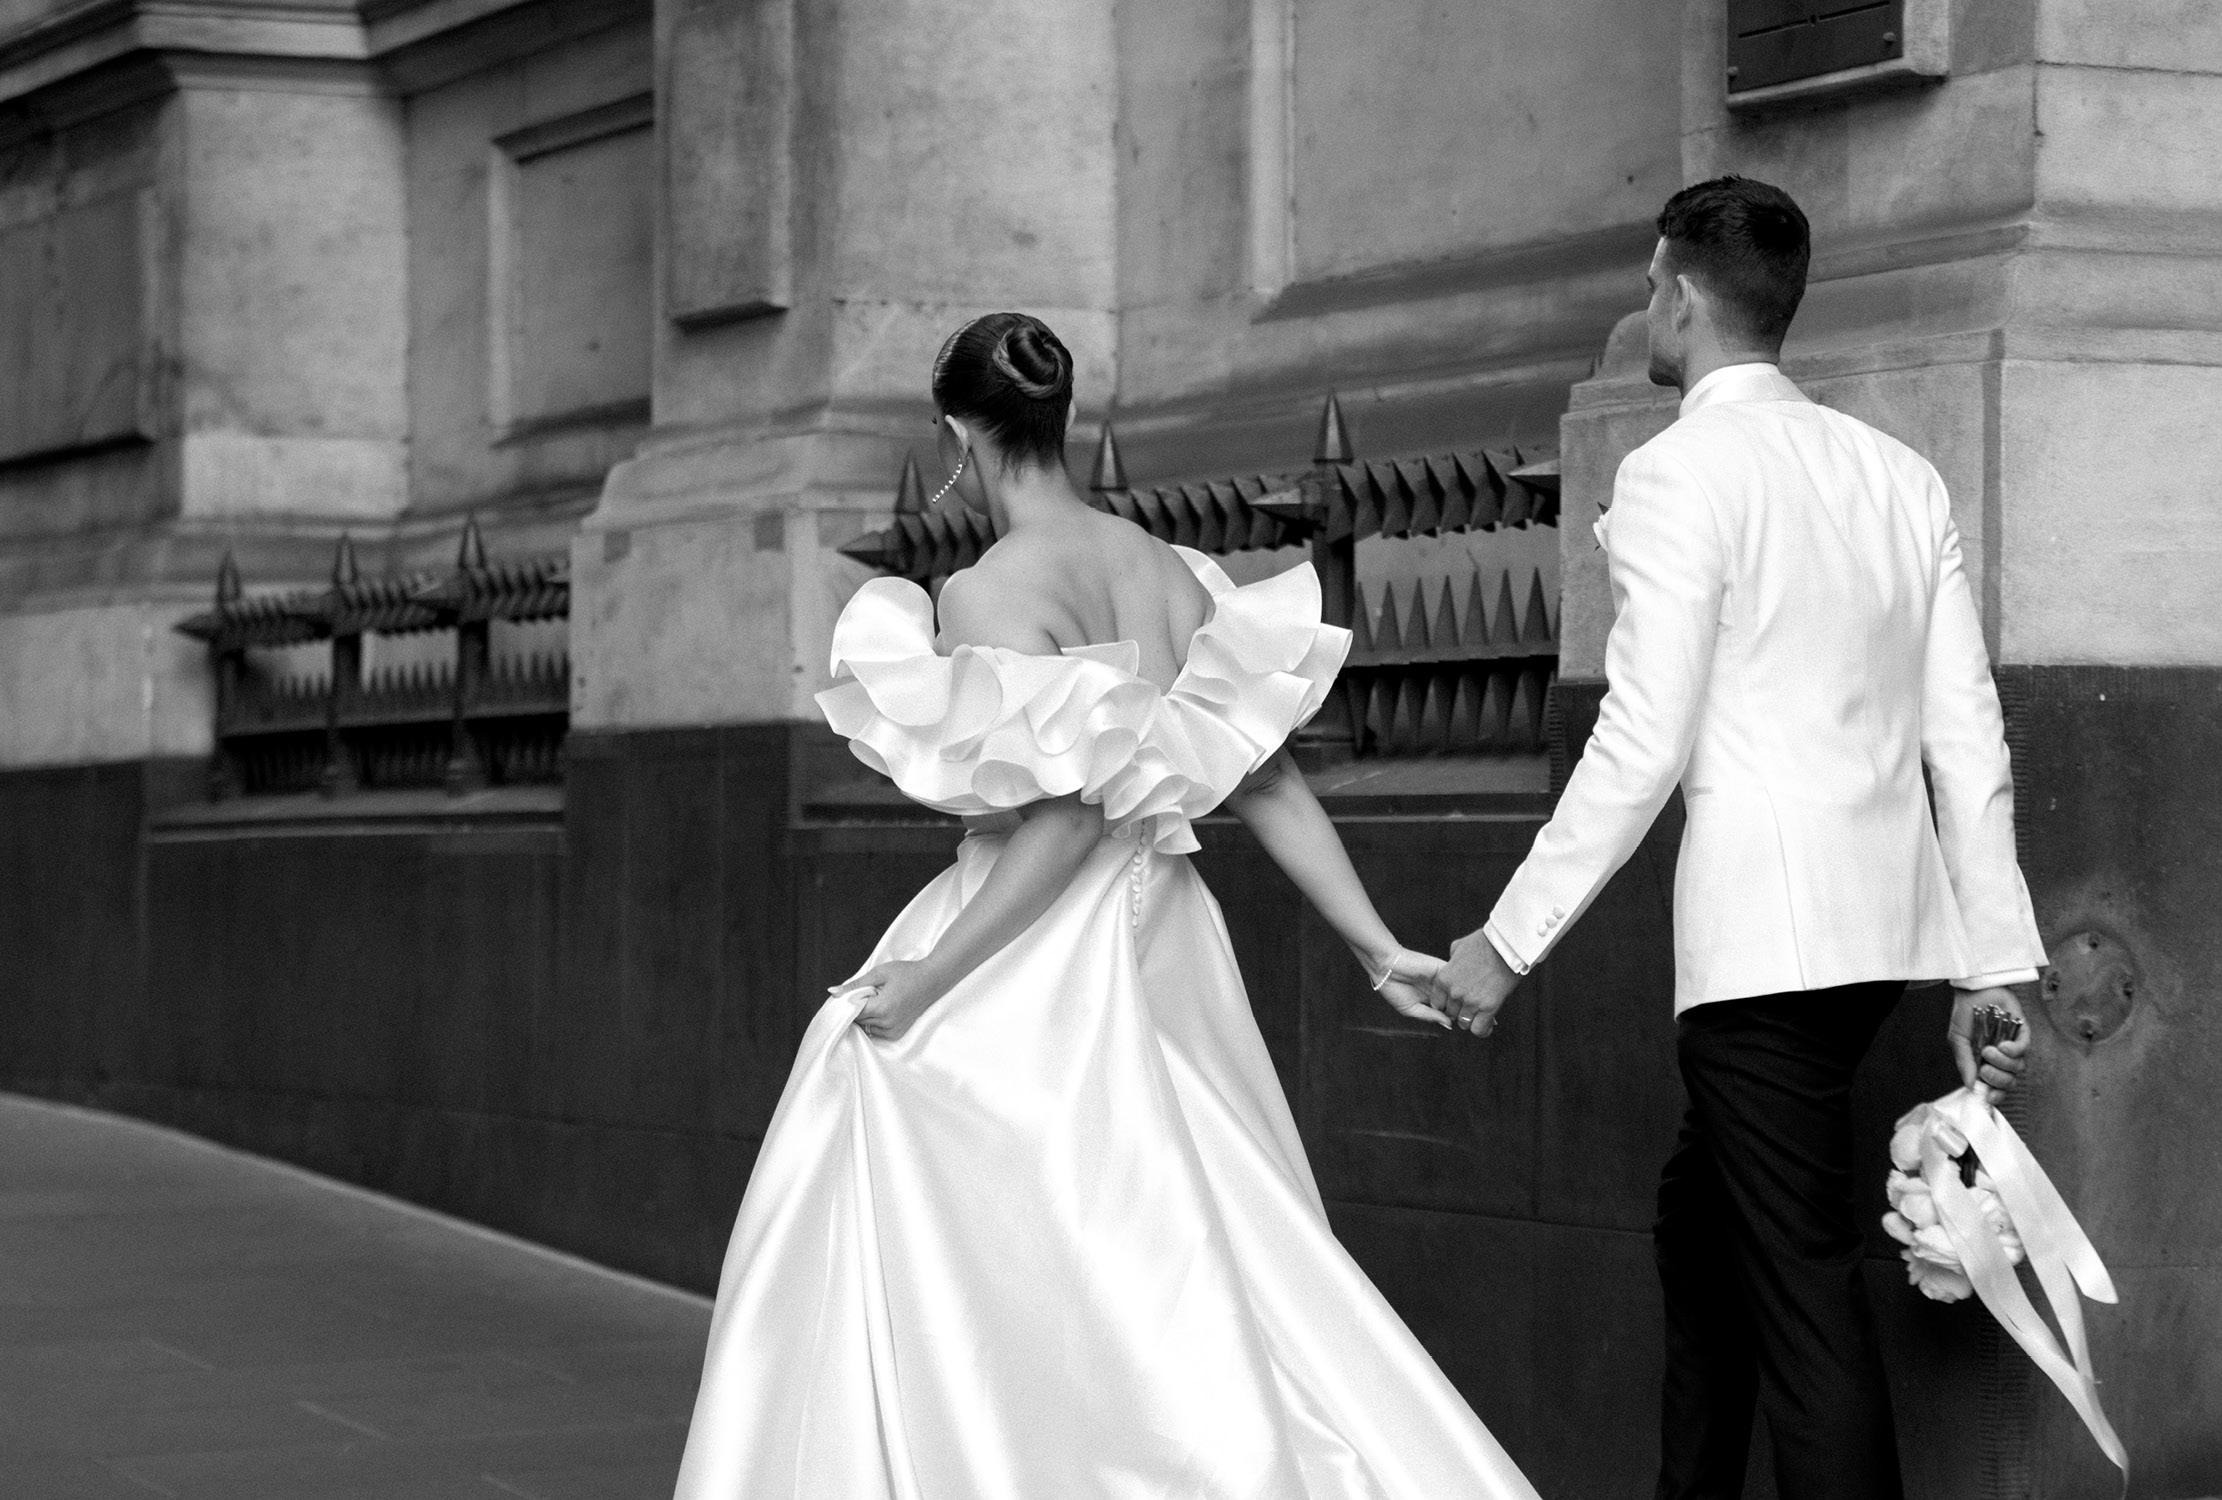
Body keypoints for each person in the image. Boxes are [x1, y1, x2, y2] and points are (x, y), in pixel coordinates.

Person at [672, 312, 1540, 1500]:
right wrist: (1375, 945)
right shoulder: (1167, 569)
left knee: (954, 1177)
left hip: (1035, 952)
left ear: (955, 434)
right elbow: (1268, 778)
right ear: (1061, 418)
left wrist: (929, 979)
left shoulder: (984, 592)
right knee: (1189, 1225)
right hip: (1165, 929)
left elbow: (1067, 814)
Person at [1427, 176, 2049, 1500]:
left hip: (1762, 959)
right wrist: (1985, 958)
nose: (1640, 307)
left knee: (1801, 1295)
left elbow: (1641, 738)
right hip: (1874, 940)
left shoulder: (1669, 474)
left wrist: (1505, 938)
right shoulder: (1897, 475)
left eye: (1647, 284)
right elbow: (1966, 733)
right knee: (1700, 1235)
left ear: (1683, 292)